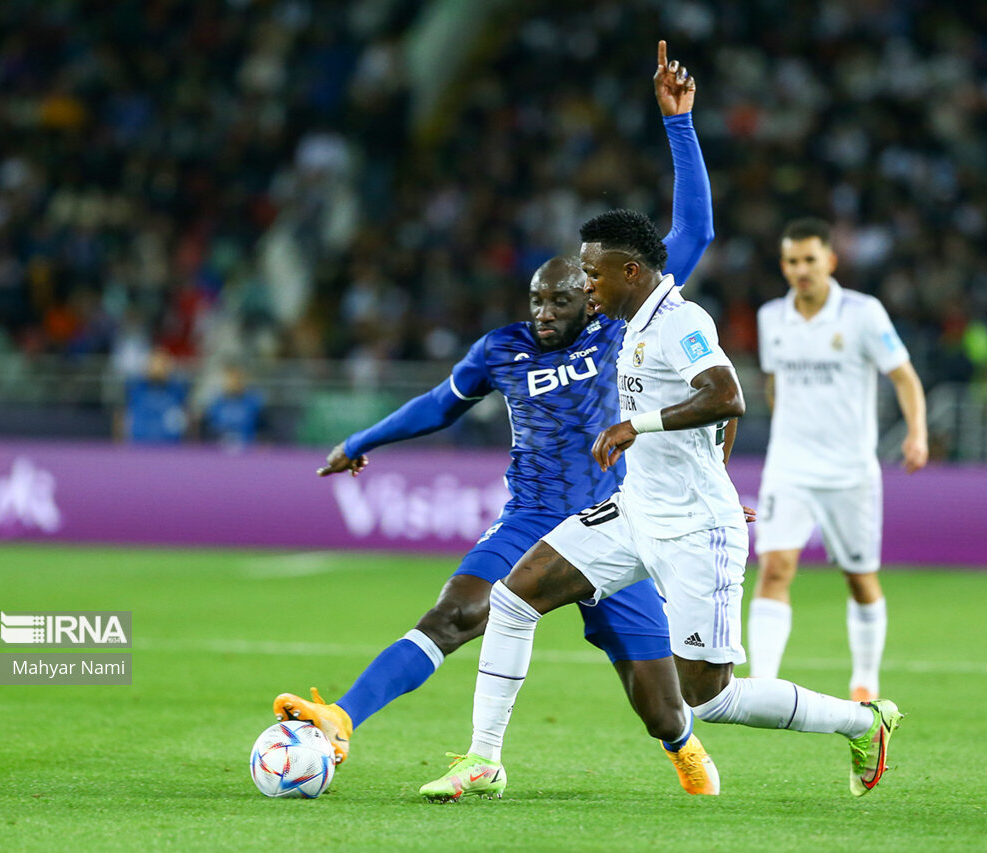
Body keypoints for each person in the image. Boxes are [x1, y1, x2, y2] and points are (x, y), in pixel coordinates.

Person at [274, 42, 731, 796]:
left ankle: (683, 747)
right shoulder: (502, 350)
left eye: (560, 299)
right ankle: (343, 720)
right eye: (536, 301)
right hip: (532, 517)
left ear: (592, 293)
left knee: (660, 704)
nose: (545, 312)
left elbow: (696, 231)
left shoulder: (625, 326)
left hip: (620, 518)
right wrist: (362, 440)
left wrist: (678, 125)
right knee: (456, 612)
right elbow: (438, 407)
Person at [419, 208, 903, 803]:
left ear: (629, 271)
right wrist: (712, 472)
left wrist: (638, 429)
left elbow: (726, 395)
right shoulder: (632, 324)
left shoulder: (679, 321)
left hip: (696, 532)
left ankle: (864, 722)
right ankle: (484, 758)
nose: (585, 287)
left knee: (710, 697)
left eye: (592, 275)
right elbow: (709, 414)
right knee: (514, 597)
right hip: (635, 513)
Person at [748, 218, 928, 702]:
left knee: (860, 578)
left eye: (810, 259)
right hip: (788, 466)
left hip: (849, 471)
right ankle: (763, 685)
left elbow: (904, 376)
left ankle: (865, 679)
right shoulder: (771, 318)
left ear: (831, 260)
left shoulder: (863, 313)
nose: (801, 269)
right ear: (783, 266)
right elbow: (774, 382)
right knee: (775, 567)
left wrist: (917, 434)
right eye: (792, 261)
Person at [119, 347, 189, 444]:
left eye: (162, 364)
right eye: (154, 363)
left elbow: (186, 417)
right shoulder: (135, 388)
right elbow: (122, 416)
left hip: (171, 448)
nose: (158, 368)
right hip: (139, 447)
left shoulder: (177, 390)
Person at [203, 362, 265, 448]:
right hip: (219, 446)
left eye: (238, 379)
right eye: (231, 379)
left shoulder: (252, 401)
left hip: (247, 446)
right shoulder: (217, 402)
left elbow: (263, 426)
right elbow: (210, 426)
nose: (234, 382)